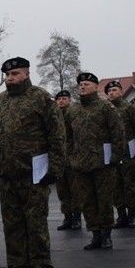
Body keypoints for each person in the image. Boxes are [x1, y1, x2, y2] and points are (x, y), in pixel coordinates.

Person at [0, 57, 64, 268]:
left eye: (15, 74)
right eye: (7, 75)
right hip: (8, 177)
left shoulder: (41, 99)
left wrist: (55, 169)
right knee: (13, 229)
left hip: (34, 176)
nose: (10, 78)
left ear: (27, 73)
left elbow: (57, 136)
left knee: (36, 226)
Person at [65, 73, 125, 250]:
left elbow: (118, 133)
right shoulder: (73, 110)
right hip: (80, 164)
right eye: (81, 84)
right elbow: (67, 136)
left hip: (102, 163)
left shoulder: (106, 108)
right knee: (87, 201)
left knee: (104, 200)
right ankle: (95, 234)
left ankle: (106, 234)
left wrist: (115, 156)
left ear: (96, 87)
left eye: (86, 84)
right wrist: (70, 156)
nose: (82, 87)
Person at [105, 80, 135, 228]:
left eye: (114, 90)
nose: (112, 93)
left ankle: (131, 216)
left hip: (127, 152)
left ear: (120, 91)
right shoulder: (106, 109)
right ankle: (121, 216)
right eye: (109, 91)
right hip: (112, 152)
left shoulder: (128, 109)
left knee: (129, 185)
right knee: (115, 186)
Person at [53, 90, 81, 231]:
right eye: (59, 99)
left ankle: (76, 218)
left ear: (69, 100)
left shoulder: (73, 114)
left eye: (64, 98)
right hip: (59, 159)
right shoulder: (55, 116)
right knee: (62, 190)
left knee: (74, 190)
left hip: (72, 157)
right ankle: (67, 217)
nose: (61, 101)